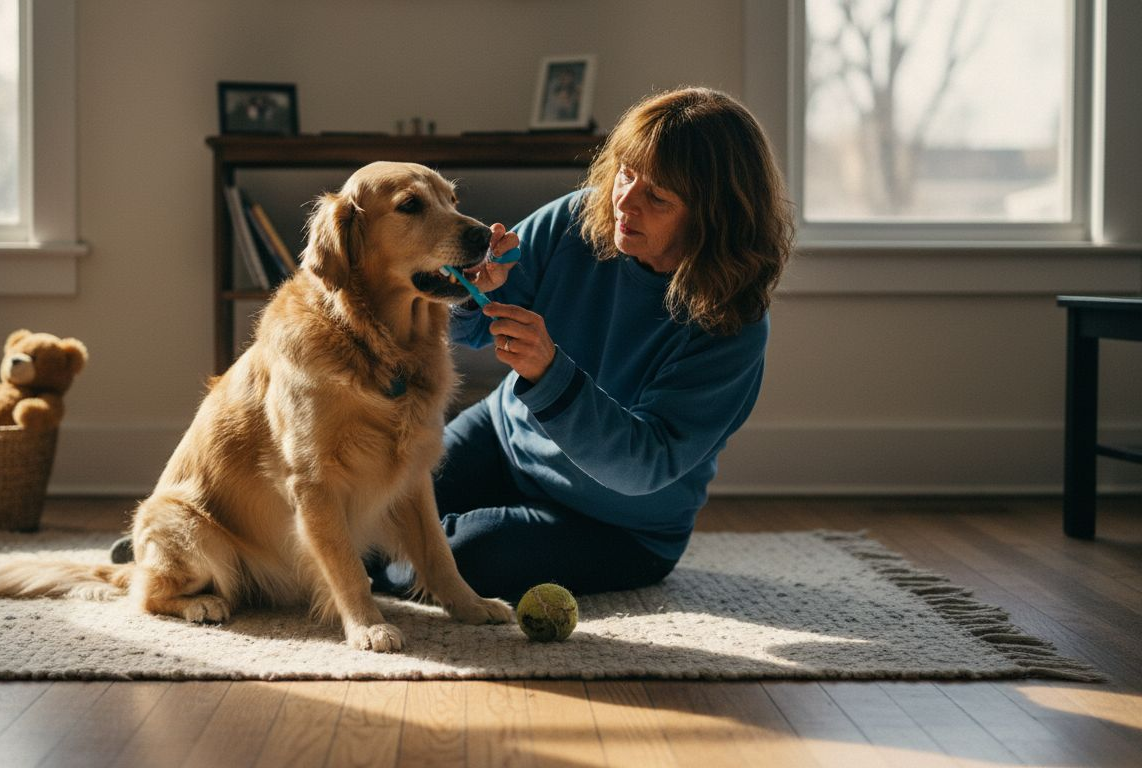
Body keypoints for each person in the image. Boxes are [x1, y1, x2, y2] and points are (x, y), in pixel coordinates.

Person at [114, 86, 793, 605]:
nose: (624, 203)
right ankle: (191, 555)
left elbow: (646, 466)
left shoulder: (731, 328)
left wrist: (552, 374)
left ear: (713, 216)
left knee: (451, 556)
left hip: (620, 524)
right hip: (506, 438)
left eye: (658, 197)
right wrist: (471, 291)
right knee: (377, 508)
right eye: (625, 175)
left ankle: (288, 570)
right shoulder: (577, 220)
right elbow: (468, 324)